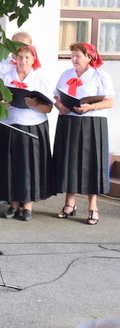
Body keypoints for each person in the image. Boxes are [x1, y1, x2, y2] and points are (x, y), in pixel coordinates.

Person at [52, 43, 114, 225]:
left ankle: (93, 206)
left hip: (92, 123)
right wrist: (60, 105)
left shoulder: (101, 75)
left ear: (89, 57)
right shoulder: (66, 74)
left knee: (91, 163)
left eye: (78, 55)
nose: (74, 59)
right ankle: (69, 203)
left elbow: (109, 102)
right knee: (69, 161)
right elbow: (56, 95)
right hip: (69, 121)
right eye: (72, 55)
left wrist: (91, 106)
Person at [0, 44, 55, 221]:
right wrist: (0, 104)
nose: (23, 61)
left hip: (32, 125)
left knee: (30, 167)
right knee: (10, 164)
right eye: (20, 57)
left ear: (33, 59)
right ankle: (12, 204)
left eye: (27, 58)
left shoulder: (41, 77)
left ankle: (27, 205)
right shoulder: (5, 76)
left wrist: (35, 104)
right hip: (9, 124)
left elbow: (49, 108)